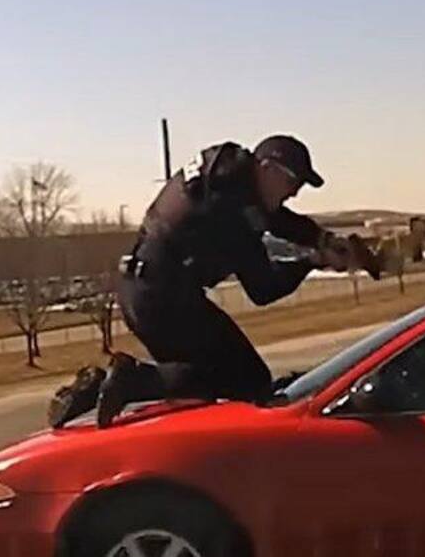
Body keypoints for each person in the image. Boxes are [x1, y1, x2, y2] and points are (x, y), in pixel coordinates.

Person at [48, 135, 378, 427]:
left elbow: (275, 218)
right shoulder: (232, 211)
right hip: (164, 298)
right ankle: (129, 378)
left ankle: (102, 384)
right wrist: (313, 261)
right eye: (293, 183)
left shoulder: (229, 178)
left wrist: (321, 238)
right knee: (246, 381)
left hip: (145, 288)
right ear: (267, 168)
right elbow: (263, 289)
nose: (294, 193)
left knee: (204, 379)